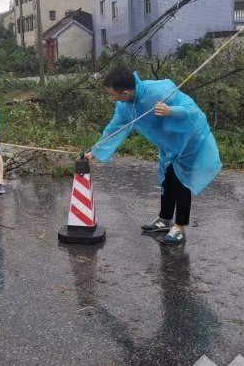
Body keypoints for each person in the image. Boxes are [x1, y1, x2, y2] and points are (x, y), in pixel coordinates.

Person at [86, 66, 221, 245]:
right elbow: (114, 128)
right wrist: (96, 151)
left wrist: (170, 111)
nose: (113, 98)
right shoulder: (125, 106)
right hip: (168, 143)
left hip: (189, 138)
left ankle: (179, 228)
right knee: (166, 179)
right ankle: (164, 219)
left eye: (114, 94)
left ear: (125, 92)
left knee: (180, 182)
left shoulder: (160, 91)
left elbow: (194, 112)